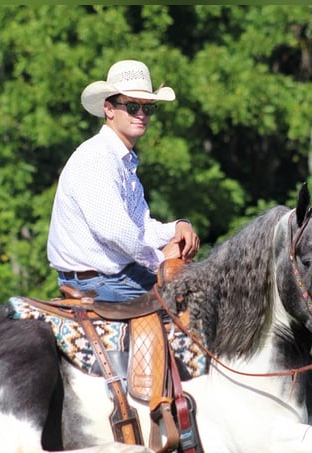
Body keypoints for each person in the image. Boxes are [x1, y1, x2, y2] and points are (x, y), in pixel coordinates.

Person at [47, 59, 200, 302]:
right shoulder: (98, 157)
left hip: (112, 276)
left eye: (147, 108)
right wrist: (160, 261)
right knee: (195, 307)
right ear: (109, 109)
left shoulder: (121, 160)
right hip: (101, 281)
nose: (141, 115)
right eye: (131, 107)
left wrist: (178, 227)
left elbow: (141, 228)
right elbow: (117, 233)